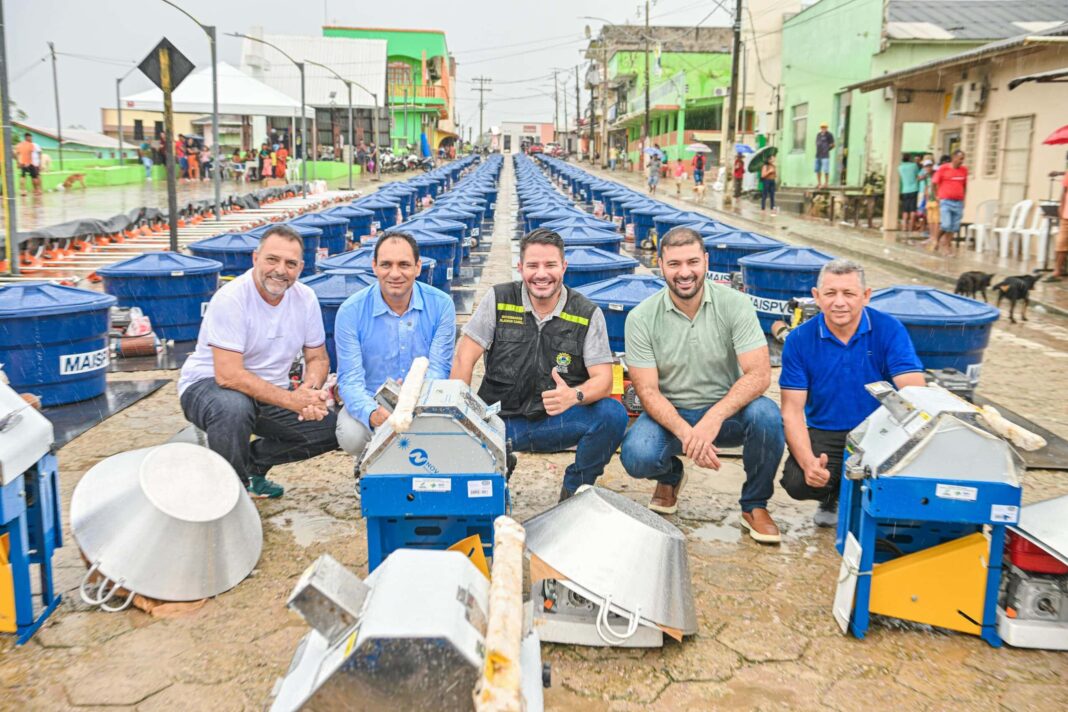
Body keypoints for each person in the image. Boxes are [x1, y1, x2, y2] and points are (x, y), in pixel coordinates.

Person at [620, 227, 785, 543]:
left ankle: (754, 504)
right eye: (674, 264)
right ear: (660, 264)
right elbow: (647, 391)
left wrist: (713, 418)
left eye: (692, 262)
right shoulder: (641, 318)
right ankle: (669, 476)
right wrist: (687, 434)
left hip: (726, 414)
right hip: (670, 417)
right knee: (637, 455)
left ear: (706, 261)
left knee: (767, 417)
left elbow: (760, 374)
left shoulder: (734, 304)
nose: (685, 273)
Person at [451, 228, 629, 502]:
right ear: (520, 267)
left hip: (556, 421)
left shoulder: (587, 313)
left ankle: (575, 490)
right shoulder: (499, 299)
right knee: (472, 491)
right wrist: (458, 412)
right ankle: (498, 465)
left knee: (612, 414)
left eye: (550, 265)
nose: (541, 274)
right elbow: (465, 356)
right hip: (500, 420)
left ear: (564, 267)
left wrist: (574, 395)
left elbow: (603, 379)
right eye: (533, 265)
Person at [177, 225, 338, 499]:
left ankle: (253, 466)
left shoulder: (305, 297)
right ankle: (230, 494)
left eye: (290, 263)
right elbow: (229, 376)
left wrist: (308, 392)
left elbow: (317, 356)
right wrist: (292, 401)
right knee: (233, 407)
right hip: (208, 387)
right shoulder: (232, 298)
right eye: (272, 260)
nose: (280, 270)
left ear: (300, 267)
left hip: (269, 393)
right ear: (255, 259)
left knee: (333, 430)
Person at [779, 259, 925, 526]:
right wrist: (809, 462)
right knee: (797, 482)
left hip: (879, 429)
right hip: (827, 430)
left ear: (866, 296)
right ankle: (832, 493)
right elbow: (791, 410)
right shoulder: (799, 340)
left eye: (849, 293)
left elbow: (913, 387)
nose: (839, 302)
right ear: (816, 297)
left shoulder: (889, 329)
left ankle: (869, 499)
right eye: (830, 293)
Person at [334, 232, 456, 465]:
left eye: (404, 265)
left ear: (418, 267)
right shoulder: (351, 311)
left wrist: (411, 400)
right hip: (373, 398)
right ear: (374, 267)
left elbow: (439, 368)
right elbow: (349, 379)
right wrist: (372, 413)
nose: (395, 273)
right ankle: (367, 464)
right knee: (352, 434)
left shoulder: (441, 305)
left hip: (423, 397)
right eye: (386, 265)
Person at [933, 150, 968, 256]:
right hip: (946, 201)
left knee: (954, 227)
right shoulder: (943, 168)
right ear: (954, 158)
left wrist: (964, 199)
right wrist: (937, 196)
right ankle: (936, 239)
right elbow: (934, 183)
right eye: (960, 158)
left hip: (958, 202)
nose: (962, 161)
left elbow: (964, 185)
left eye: (963, 158)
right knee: (946, 224)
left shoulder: (964, 170)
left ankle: (947, 246)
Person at [898, 153, 920, 232]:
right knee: (912, 209)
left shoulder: (900, 167)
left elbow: (901, 178)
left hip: (905, 190)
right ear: (910, 158)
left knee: (905, 209)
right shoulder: (914, 166)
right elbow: (917, 176)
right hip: (914, 189)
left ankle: (904, 227)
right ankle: (911, 226)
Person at [814, 123, 835, 189]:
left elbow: (833, 144)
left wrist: (827, 149)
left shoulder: (829, 135)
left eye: (824, 127)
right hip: (818, 155)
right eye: (822, 127)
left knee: (826, 170)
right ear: (821, 128)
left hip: (825, 155)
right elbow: (816, 143)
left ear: (826, 128)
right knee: (817, 169)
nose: (823, 128)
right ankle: (819, 183)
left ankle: (826, 183)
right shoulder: (818, 135)